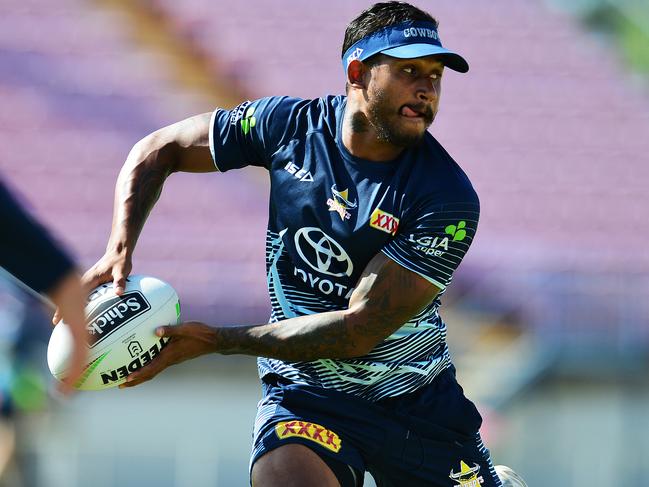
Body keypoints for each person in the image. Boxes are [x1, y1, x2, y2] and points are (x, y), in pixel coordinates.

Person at [80, 2, 528, 485]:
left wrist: (218, 341)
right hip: (305, 394)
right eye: (408, 71)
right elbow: (159, 148)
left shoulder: (446, 197)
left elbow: (359, 329)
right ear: (358, 72)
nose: (427, 89)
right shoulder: (288, 126)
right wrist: (119, 247)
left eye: (435, 76)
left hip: (416, 406)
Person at [0, 178, 88, 395]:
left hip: (24, 344)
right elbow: (65, 280)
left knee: (18, 399)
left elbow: (62, 277)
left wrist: (76, 353)